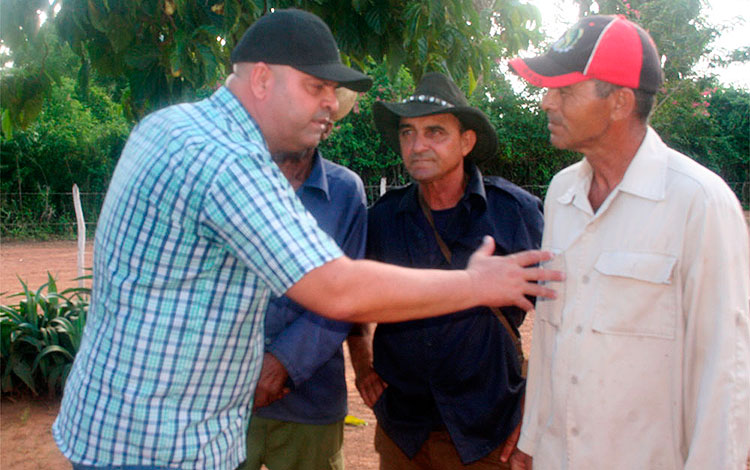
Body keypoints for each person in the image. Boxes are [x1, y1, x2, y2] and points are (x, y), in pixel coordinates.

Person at [52, 8, 561, 470]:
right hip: (164, 444)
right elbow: (336, 289)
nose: (330, 105)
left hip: (126, 425)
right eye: (316, 86)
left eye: (331, 92)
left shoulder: (169, 127)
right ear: (262, 78)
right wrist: (475, 284)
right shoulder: (228, 160)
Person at [507, 15, 750, 470]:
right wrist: (534, 438)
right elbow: (551, 334)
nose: (546, 102)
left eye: (565, 91)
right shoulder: (562, 193)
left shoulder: (698, 201)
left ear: (619, 102)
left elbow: (726, 370)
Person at [348, 72, 544, 469]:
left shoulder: (513, 212)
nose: (417, 146)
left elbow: (562, 318)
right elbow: (352, 296)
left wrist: (535, 407)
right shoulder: (384, 219)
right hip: (404, 430)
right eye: (407, 133)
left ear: (466, 142)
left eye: (434, 132)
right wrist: (362, 361)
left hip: (488, 429)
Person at [238, 88, 366, 470]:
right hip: (223, 398)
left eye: (324, 116)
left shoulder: (345, 193)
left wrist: (282, 363)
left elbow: (347, 295)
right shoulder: (234, 181)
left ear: (329, 126)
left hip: (312, 401)